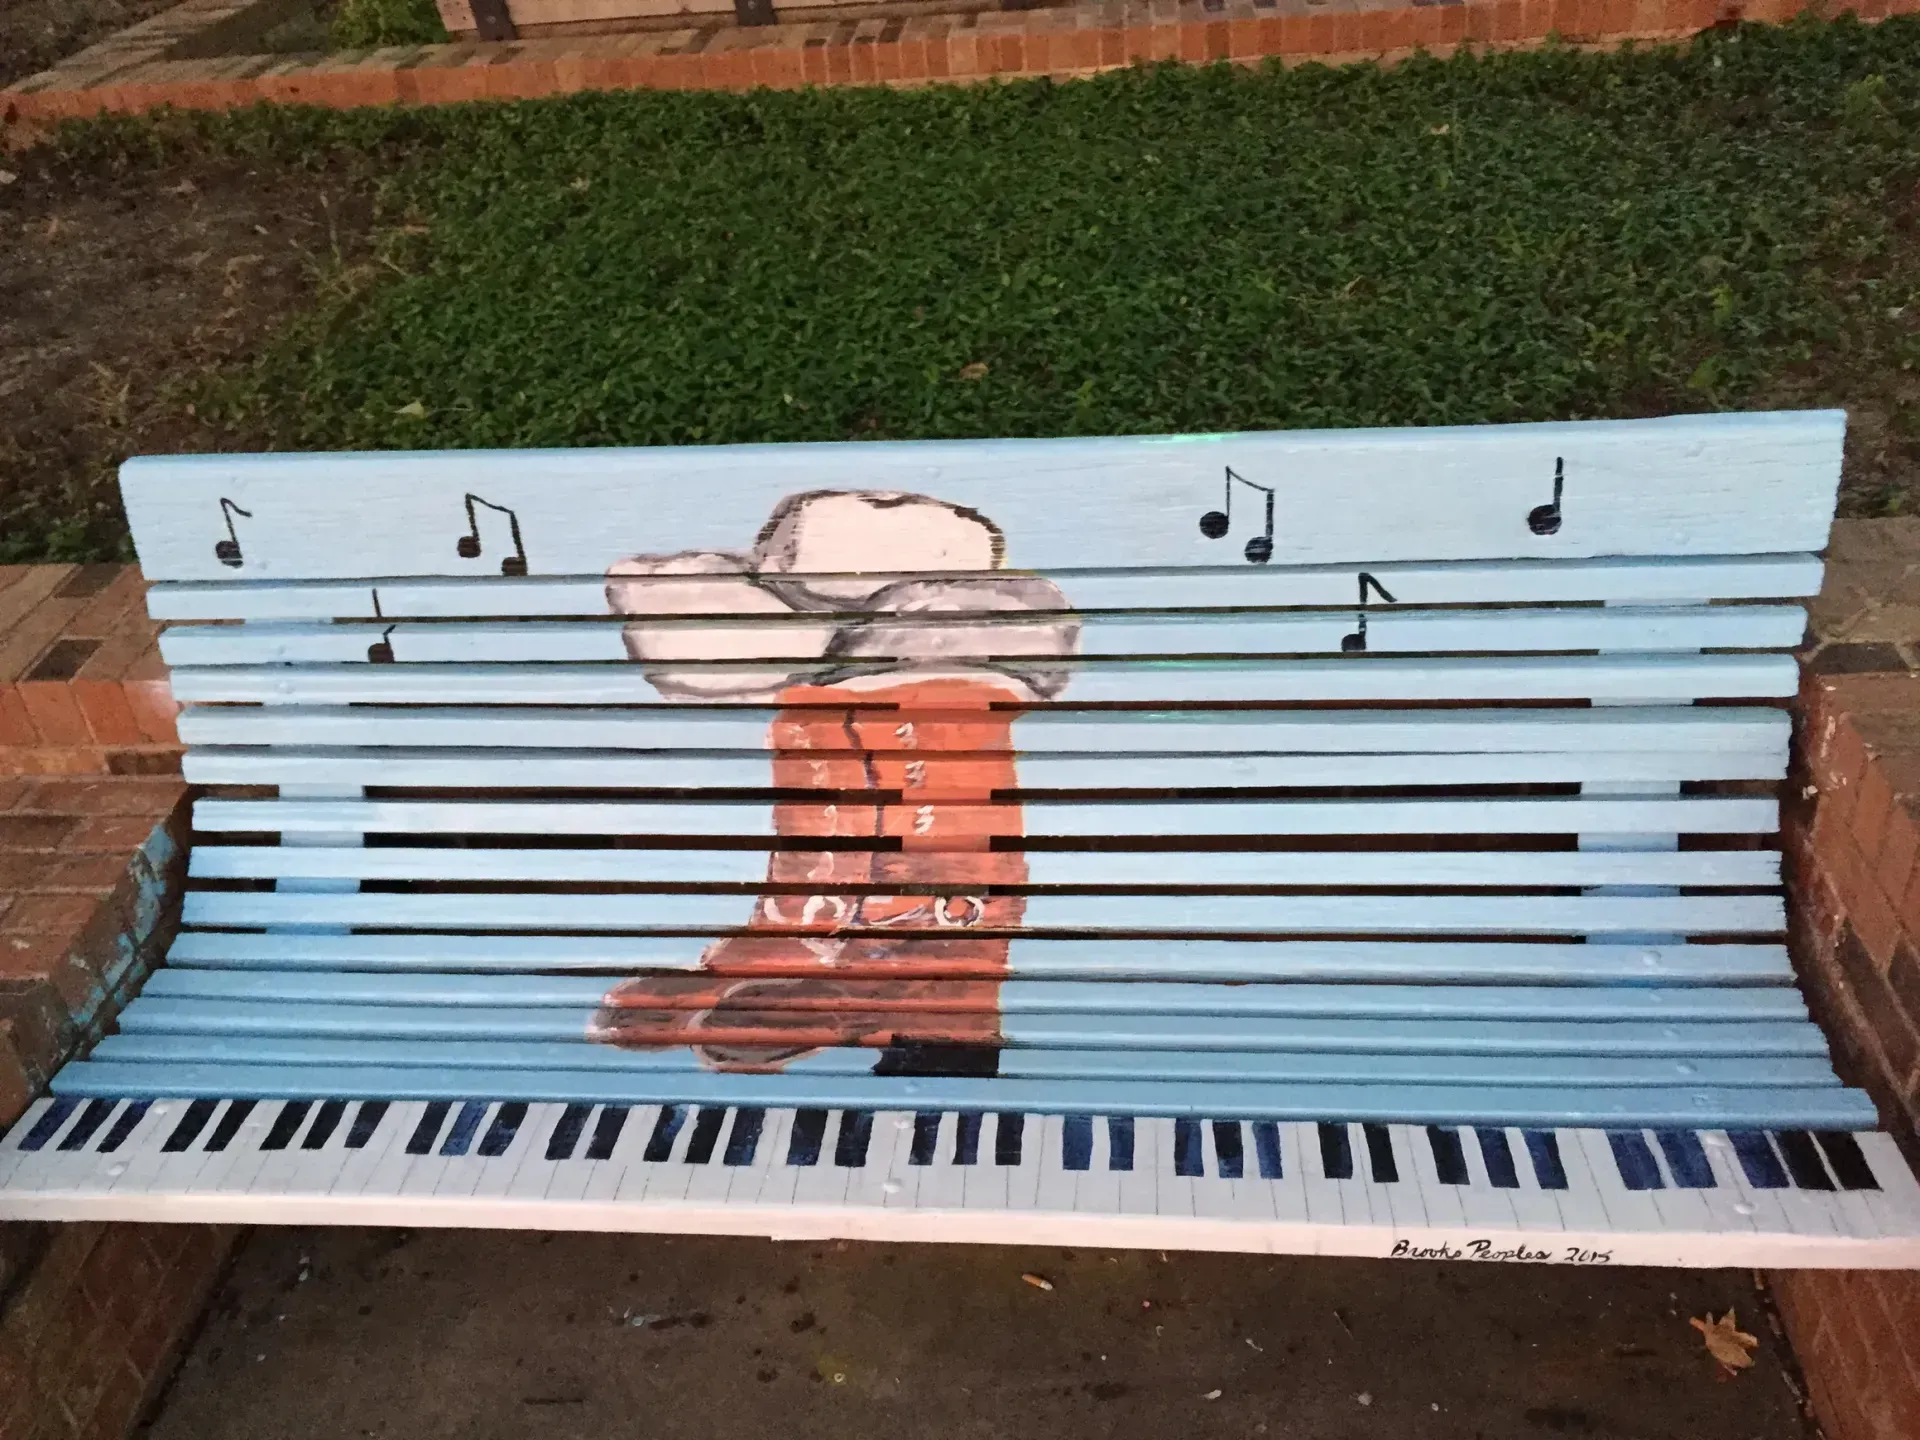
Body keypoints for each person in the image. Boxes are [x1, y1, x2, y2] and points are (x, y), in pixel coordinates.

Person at [588, 490, 1079, 1073]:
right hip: (840, 931)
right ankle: (810, 933)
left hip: (936, 932)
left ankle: (914, 965)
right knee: (826, 716)